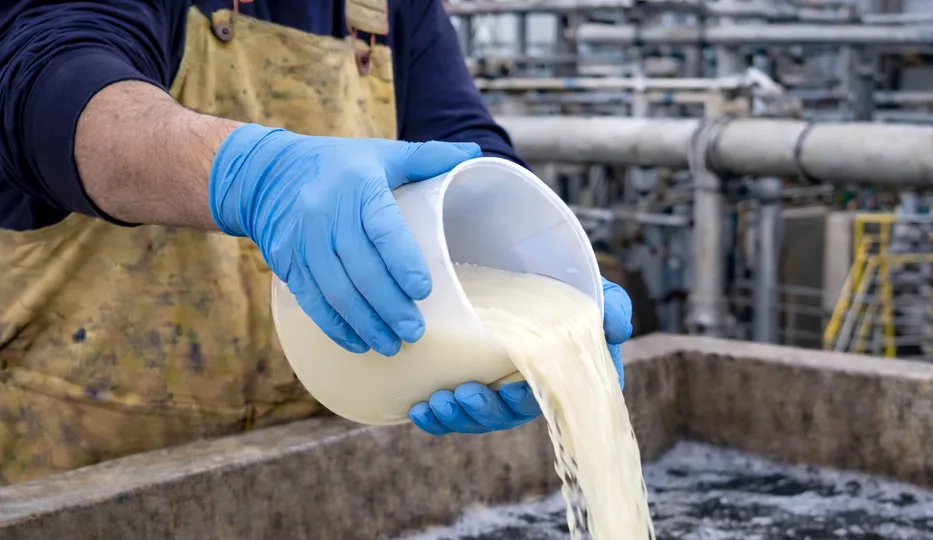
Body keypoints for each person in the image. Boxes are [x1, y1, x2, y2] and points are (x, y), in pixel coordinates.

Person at [0, 0, 633, 485]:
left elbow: (463, 154)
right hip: (72, 483)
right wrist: (250, 175)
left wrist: (543, 281)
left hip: (305, 480)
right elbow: (51, 87)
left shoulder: (386, 9)